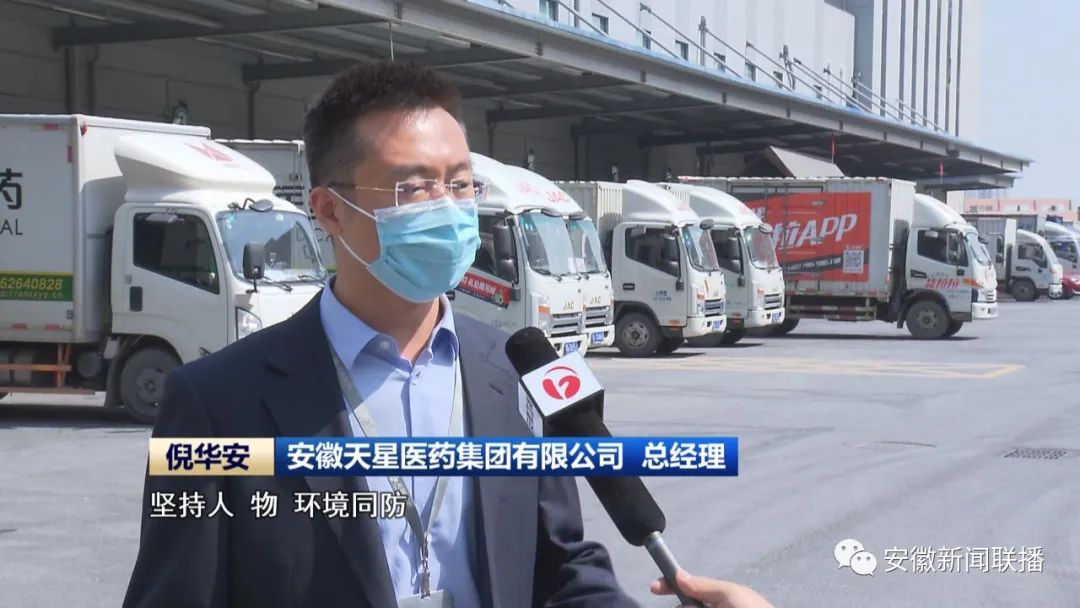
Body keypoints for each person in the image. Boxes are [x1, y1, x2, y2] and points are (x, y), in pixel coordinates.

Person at [122, 60, 772, 608]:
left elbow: (560, 571)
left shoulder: (522, 372)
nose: (448, 208)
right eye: (413, 187)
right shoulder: (216, 403)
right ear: (329, 211)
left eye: (460, 185)